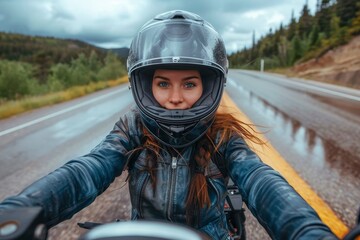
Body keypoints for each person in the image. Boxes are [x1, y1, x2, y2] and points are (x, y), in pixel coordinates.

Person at [0, 10, 337, 240]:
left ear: (209, 86)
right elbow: (87, 170)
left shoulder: (222, 136)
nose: (175, 97)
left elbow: (260, 180)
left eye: (189, 84)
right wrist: (22, 210)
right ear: (146, 86)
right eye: (163, 84)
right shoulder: (133, 127)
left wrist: (305, 230)